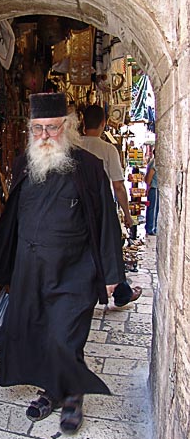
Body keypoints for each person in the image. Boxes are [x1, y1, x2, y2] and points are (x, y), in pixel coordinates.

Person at [0, 92, 126, 435]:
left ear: (67, 127)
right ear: (30, 130)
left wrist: (111, 274)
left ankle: (73, 397)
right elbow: (13, 220)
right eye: (38, 129)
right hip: (31, 271)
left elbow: (107, 222)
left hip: (74, 271)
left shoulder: (89, 168)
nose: (45, 136)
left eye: (52, 128)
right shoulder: (24, 164)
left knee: (65, 337)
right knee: (39, 334)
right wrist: (6, 267)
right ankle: (52, 391)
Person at [80, 105, 142, 307]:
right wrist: (127, 213)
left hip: (77, 209)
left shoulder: (74, 146)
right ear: (103, 123)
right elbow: (118, 186)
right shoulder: (107, 149)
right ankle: (121, 293)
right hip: (101, 210)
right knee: (110, 248)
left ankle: (116, 291)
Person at [144, 149, 158, 235]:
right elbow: (149, 176)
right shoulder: (155, 163)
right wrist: (149, 185)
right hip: (154, 187)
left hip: (152, 188)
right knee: (153, 209)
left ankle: (150, 227)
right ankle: (151, 228)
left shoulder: (152, 161)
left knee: (152, 208)